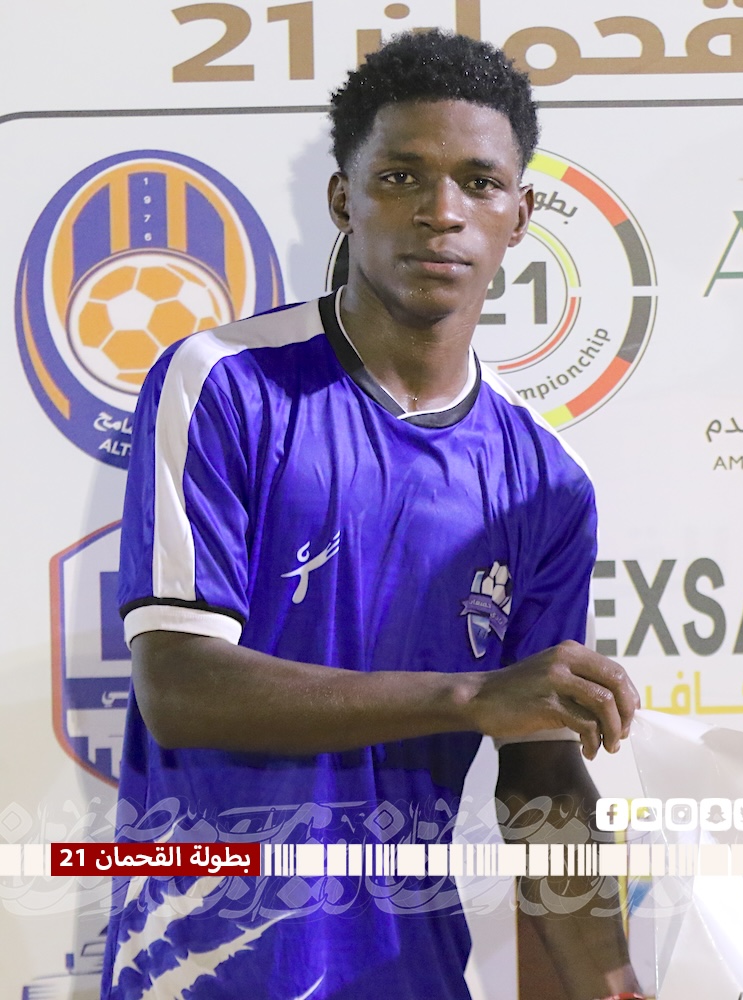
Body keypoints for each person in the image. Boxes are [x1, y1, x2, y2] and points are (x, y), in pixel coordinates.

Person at [103, 31, 644, 1000]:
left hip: (413, 974)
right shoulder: (225, 382)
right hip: (206, 973)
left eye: (479, 182)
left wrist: (616, 986)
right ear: (343, 199)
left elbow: (542, 775)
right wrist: (469, 696)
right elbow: (179, 686)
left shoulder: (547, 480)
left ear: (520, 215)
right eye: (402, 177)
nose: (442, 212)